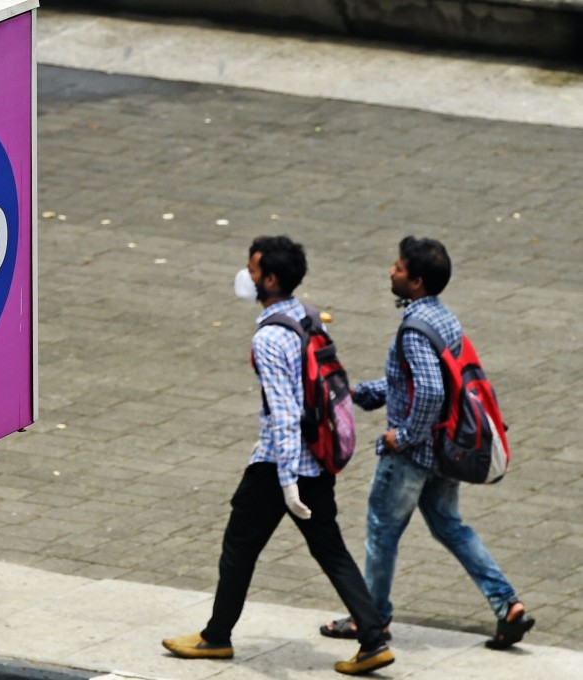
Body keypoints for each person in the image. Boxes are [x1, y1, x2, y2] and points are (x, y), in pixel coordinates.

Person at [162, 235, 394, 676]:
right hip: (318, 459)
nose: (245, 277)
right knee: (331, 549)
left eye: (251, 270)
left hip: (280, 465)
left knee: (238, 546)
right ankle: (373, 637)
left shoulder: (270, 336)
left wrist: (287, 482)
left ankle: (216, 638)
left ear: (269, 279)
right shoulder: (306, 316)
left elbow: (285, 412)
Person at [319, 236, 534, 650]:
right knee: (450, 526)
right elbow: (418, 383)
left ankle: (372, 619)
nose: (391, 272)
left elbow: (431, 392)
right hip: (443, 451)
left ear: (416, 281)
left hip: (413, 455)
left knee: (382, 532)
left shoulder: (414, 330)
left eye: (398, 268)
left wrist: (402, 436)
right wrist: (363, 393)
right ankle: (507, 604)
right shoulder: (445, 319)